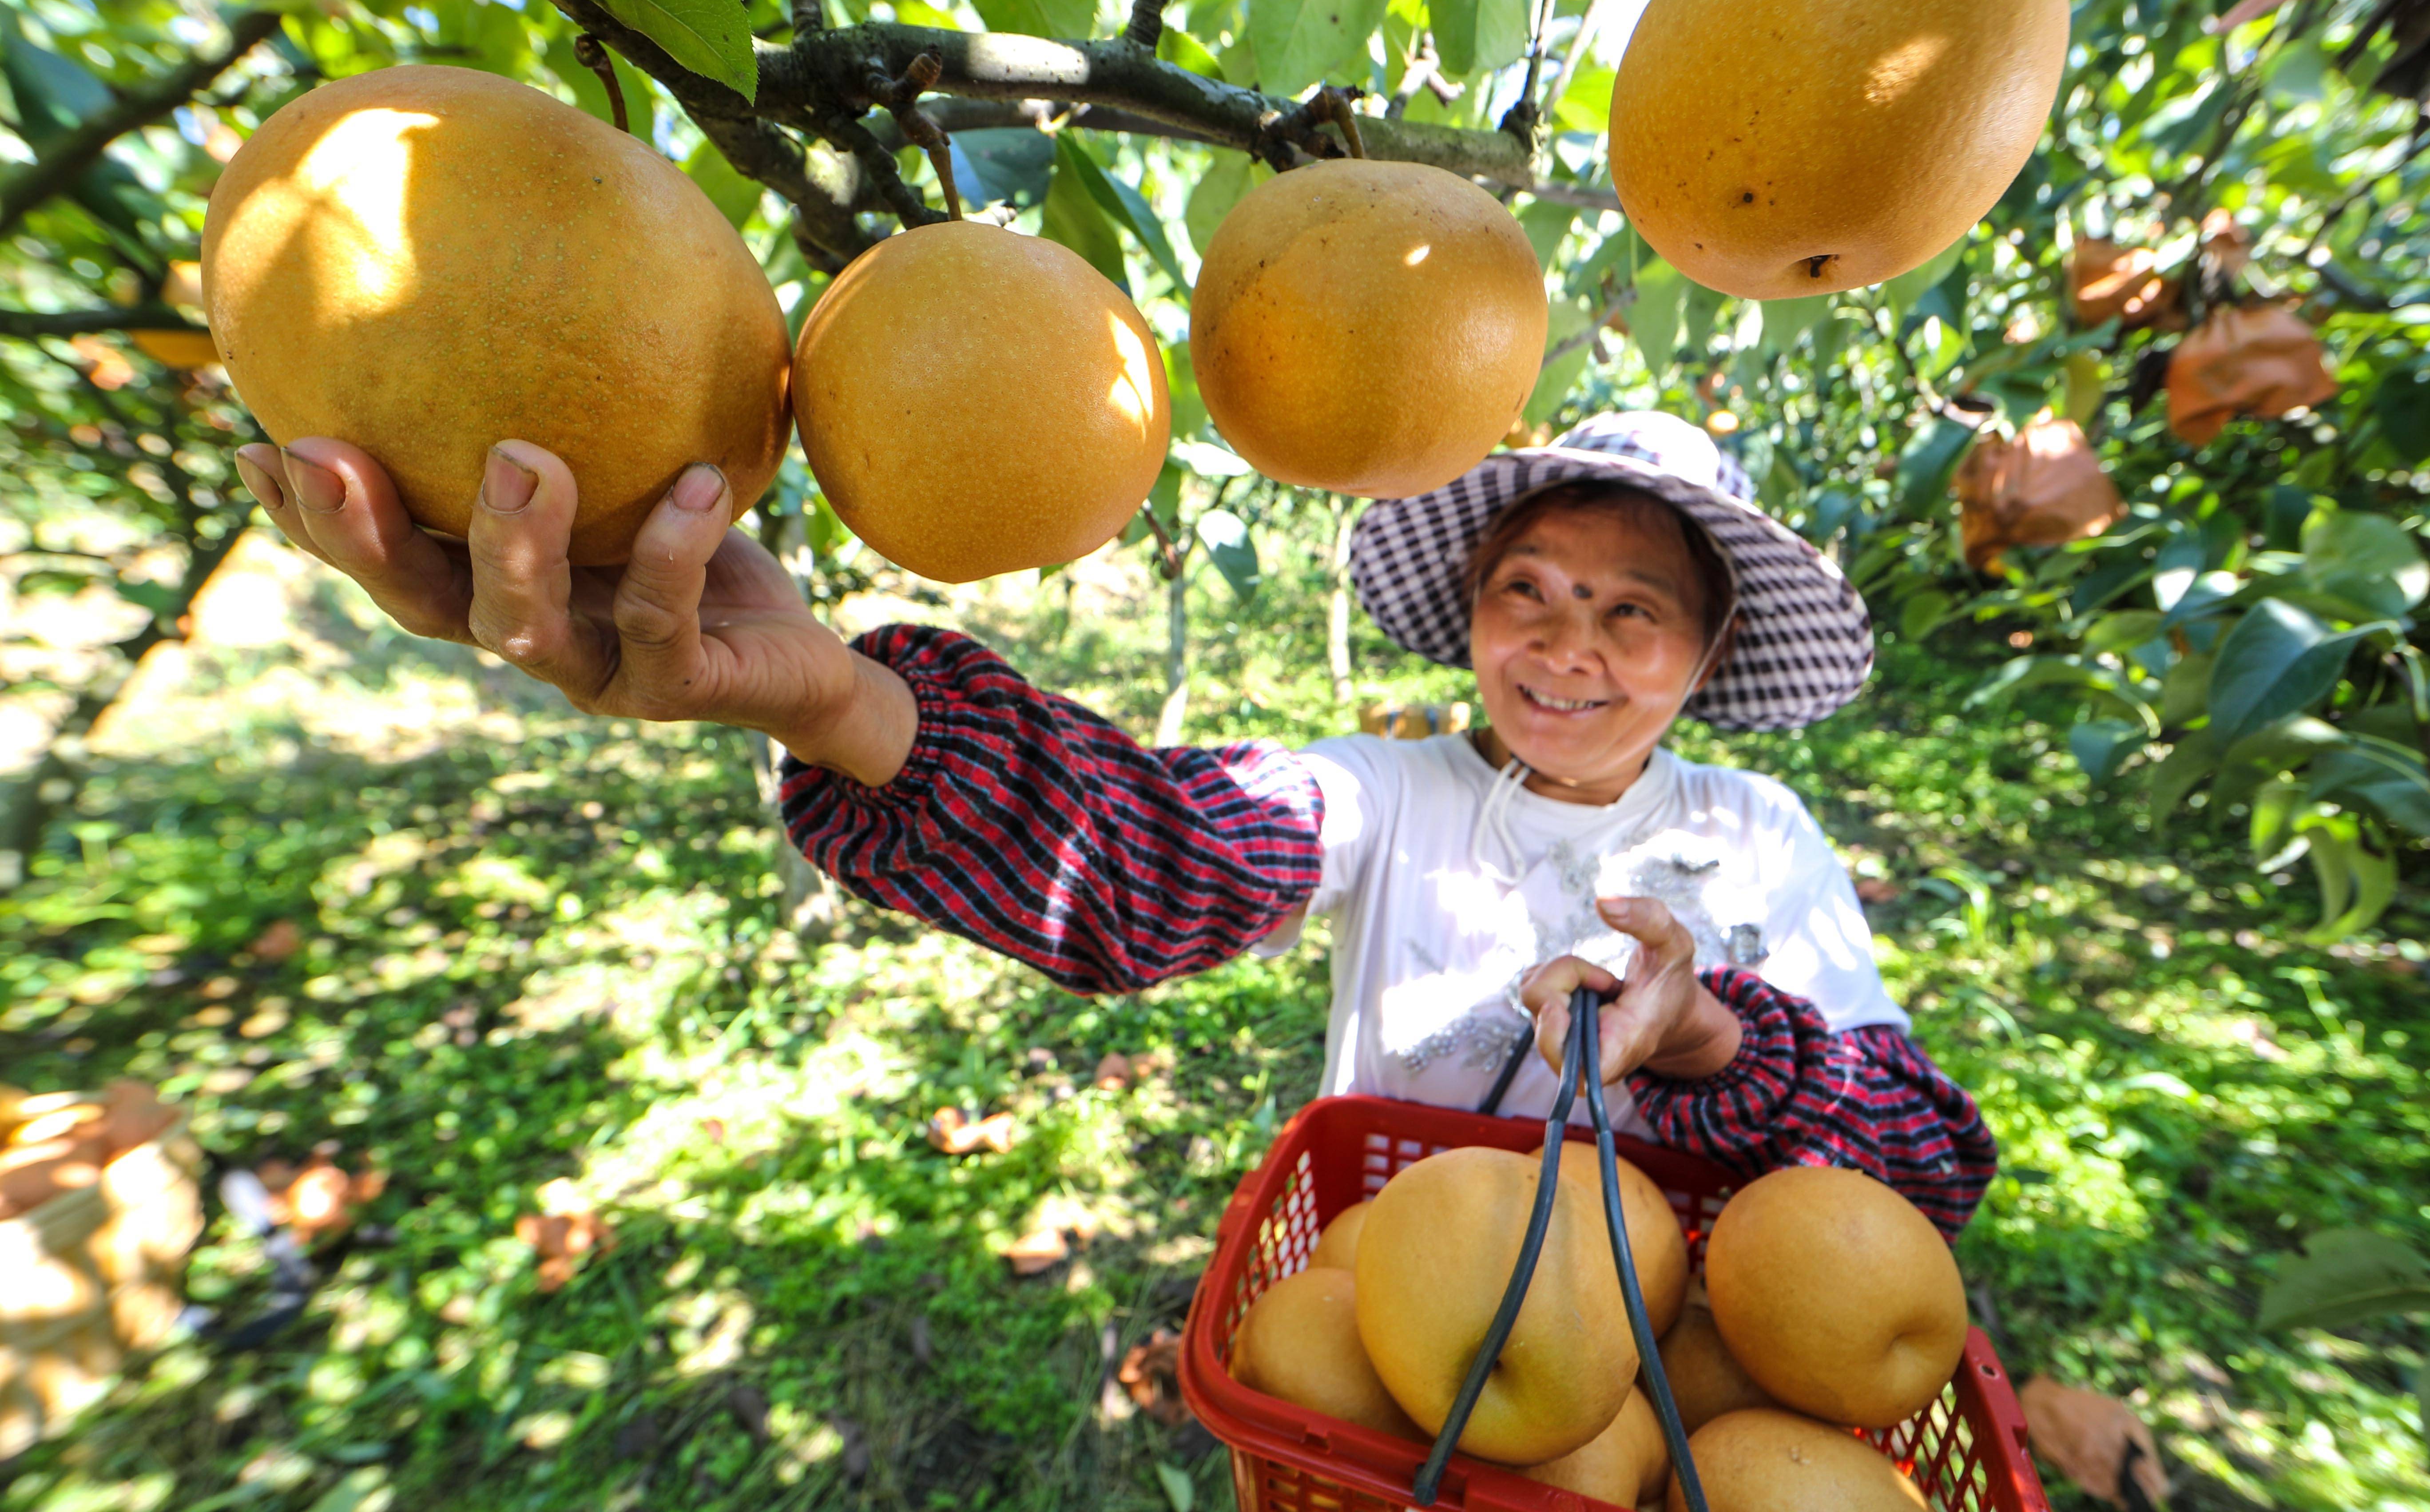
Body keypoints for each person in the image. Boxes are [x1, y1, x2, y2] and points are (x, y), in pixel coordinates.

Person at [230, 409, 2160, 1504]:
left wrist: (1715, 1037)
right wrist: (828, 702)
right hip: (1409, 1390)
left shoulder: (1764, 840)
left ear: (1711, 655)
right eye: (1530, 598)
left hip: (1693, 1370)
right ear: (1471, 618)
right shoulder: (1382, 795)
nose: (1569, 653)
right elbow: (1153, 856)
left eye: (1635, 617)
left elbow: (1922, 1162)